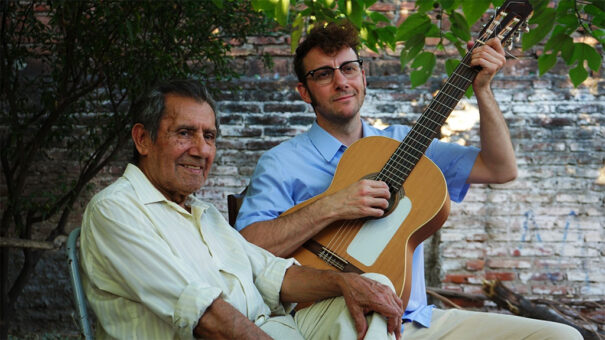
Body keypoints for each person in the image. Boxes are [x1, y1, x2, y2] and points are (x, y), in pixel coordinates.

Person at [234, 21, 583, 339]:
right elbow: (246, 250)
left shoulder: (405, 143)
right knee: (368, 314)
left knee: (561, 337)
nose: (341, 81)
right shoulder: (281, 162)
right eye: (323, 74)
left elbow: (500, 168)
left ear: (363, 77)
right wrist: (333, 205)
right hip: (331, 315)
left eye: (349, 68)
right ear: (304, 92)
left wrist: (483, 91)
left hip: (416, 321)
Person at [79, 79, 405, 339]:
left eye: (209, 136)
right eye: (184, 133)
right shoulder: (116, 210)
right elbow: (207, 317)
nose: (201, 150)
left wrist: (344, 283)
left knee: (372, 289)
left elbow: (272, 274)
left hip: (275, 330)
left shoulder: (203, 213)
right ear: (142, 139)